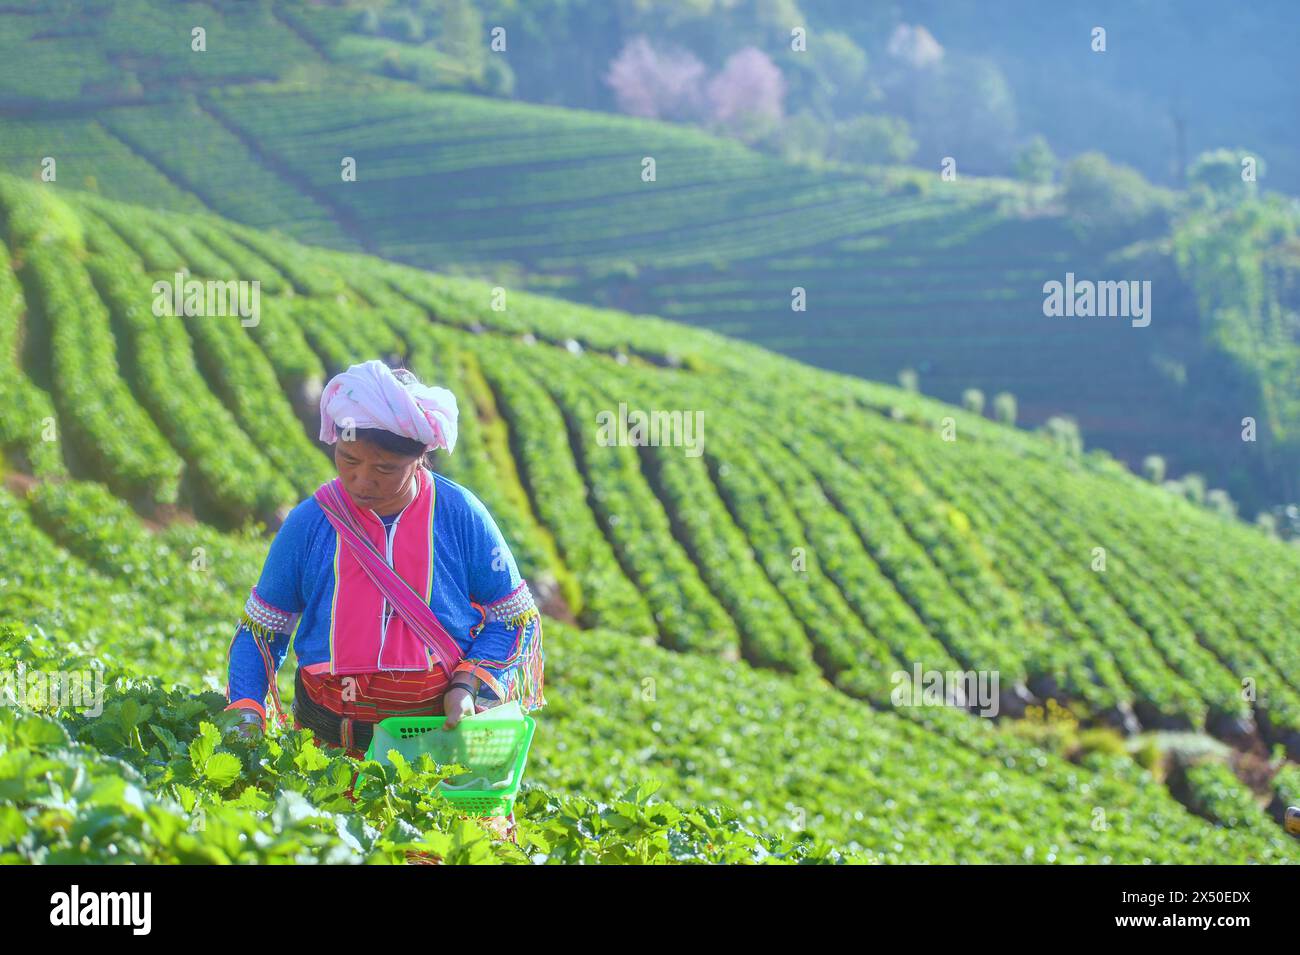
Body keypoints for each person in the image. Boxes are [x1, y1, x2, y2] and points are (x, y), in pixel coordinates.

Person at [223, 359, 544, 836]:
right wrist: (246, 708)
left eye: (385, 468)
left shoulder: (460, 516)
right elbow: (262, 630)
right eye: (349, 461)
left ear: (419, 459)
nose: (362, 481)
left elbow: (514, 618)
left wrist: (469, 685)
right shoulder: (310, 523)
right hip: (328, 747)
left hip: (433, 754)